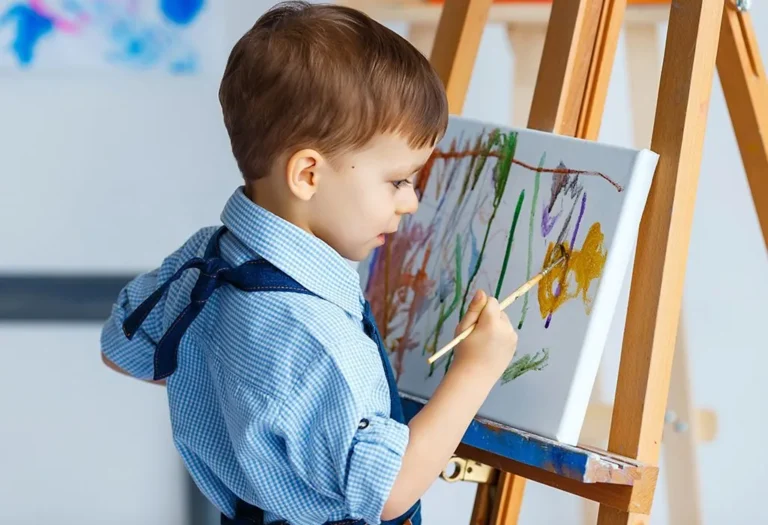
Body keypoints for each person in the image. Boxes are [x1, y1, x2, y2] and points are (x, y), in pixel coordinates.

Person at [100, 2, 519, 524]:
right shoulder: (314, 337)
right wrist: (477, 369)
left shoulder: (203, 257)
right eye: (398, 180)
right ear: (307, 175)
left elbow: (121, 350)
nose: (411, 202)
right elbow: (390, 492)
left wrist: (240, 398)